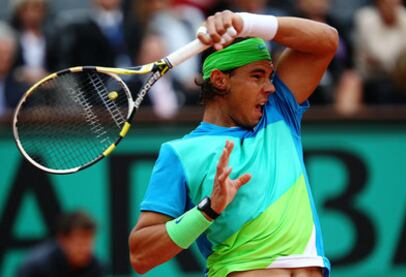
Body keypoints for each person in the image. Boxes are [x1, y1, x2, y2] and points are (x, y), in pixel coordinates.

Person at [129, 10, 338, 277]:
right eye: (257, 76)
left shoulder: (280, 112)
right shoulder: (180, 153)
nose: (270, 87)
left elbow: (326, 40)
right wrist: (208, 210)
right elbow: (140, 255)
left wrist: (245, 22)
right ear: (219, 79)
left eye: (270, 77)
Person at [354, 0, 406, 104]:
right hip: (371, 78)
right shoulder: (365, 18)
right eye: (387, 2)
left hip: (403, 78)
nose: (391, 4)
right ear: (378, 2)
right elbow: (376, 54)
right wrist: (400, 63)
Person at [16, 211, 105, 277]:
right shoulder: (35, 266)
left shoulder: (95, 267)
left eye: (89, 243)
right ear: (63, 240)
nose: (85, 249)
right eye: (79, 243)